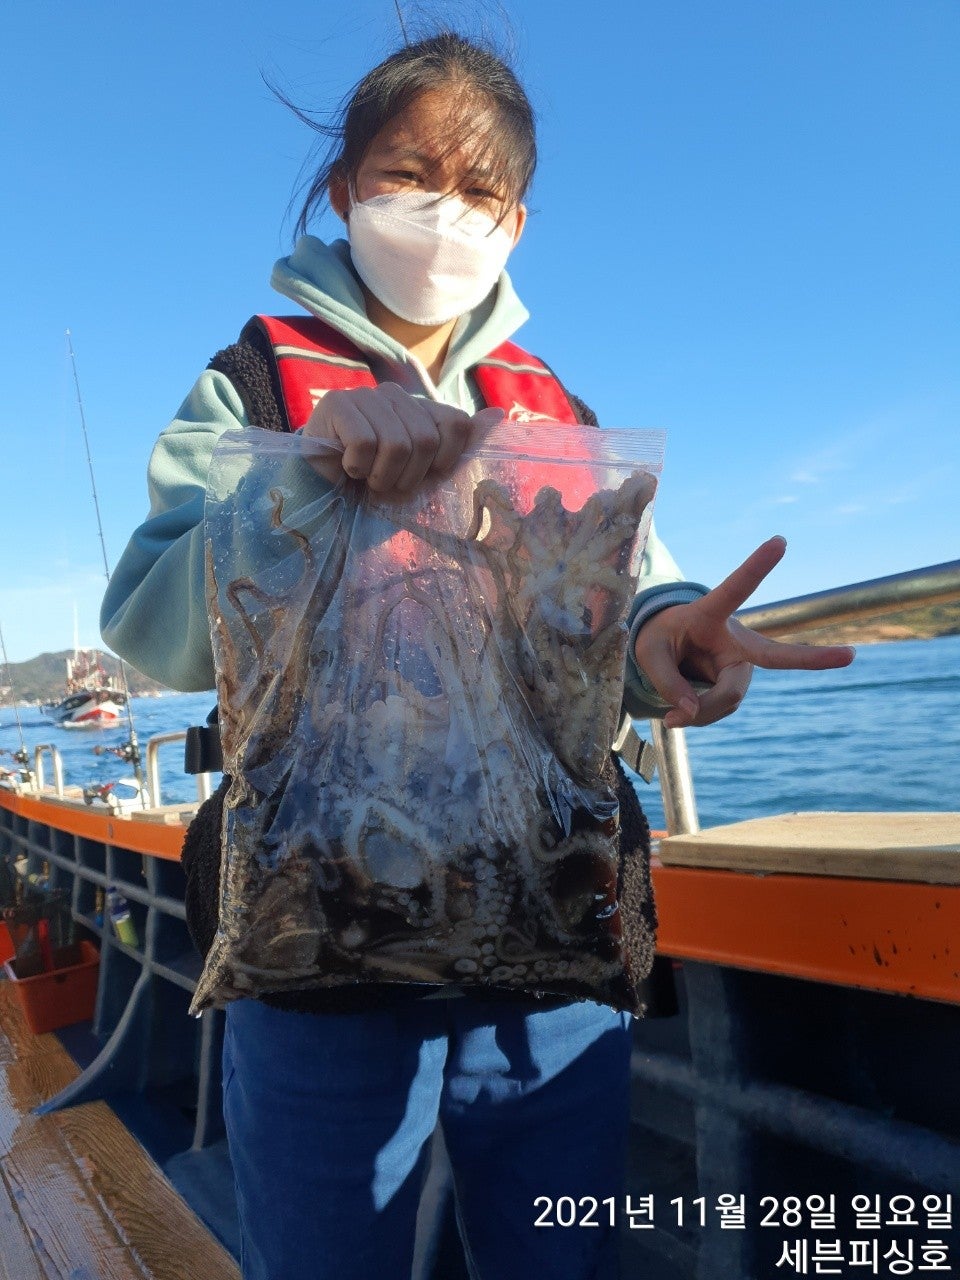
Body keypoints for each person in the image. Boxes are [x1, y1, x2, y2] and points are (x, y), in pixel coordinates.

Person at [101, 30, 853, 1280]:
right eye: (408, 174)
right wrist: (301, 478)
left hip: (553, 934)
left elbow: (624, 609)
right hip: (316, 937)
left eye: (480, 191)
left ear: (517, 223)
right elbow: (151, 621)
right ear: (343, 189)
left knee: (558, 1252)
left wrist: (672, 639)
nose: (443, 212)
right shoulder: (253, 384)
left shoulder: (559, 410)